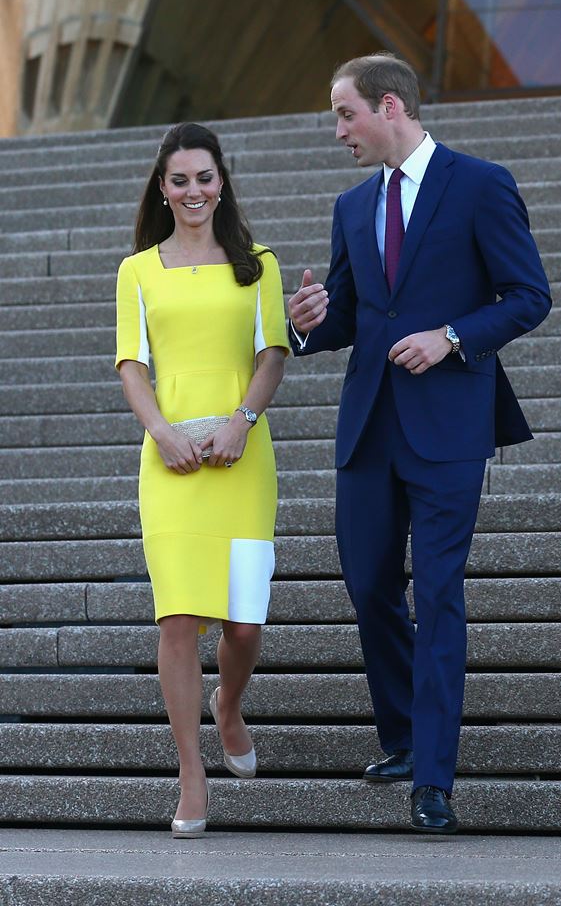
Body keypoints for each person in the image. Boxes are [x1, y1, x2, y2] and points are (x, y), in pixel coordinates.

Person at [288, 53, 551, 834]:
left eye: (345, 113)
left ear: (389, 104)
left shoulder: (480, 184)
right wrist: (309, 322)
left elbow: (528, 295)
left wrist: (451, 337)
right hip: (369, 428)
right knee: (370, 584)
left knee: (436, 595)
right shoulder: (350, 207)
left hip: (449, 430)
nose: (339, 131)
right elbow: (348, 318)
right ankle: (402, 736)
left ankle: (433, 778)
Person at [115, 122, 289, 838]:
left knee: (244, 624)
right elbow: (133, 364)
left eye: (205, 178)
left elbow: (272, 352)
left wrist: (242, 421)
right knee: (179, 620)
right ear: (163, 187)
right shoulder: (137, 271)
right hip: (171, 463)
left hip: (241, 457)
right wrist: (160, 432)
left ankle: (228, 706)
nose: (193, 191)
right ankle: (191, 774)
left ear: (223, 182)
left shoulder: (259, 265)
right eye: (180, 180)